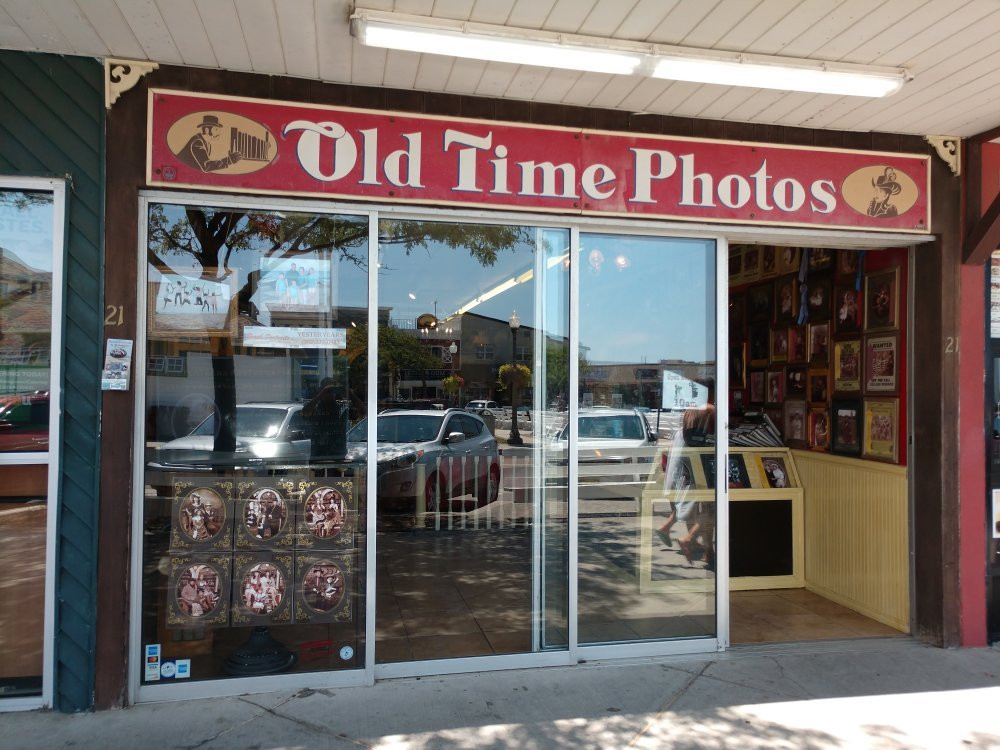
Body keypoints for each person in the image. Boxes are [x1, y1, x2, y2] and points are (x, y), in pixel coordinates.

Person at [175, 114, 242, 172]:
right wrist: (228, 160)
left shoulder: (207, 144)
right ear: (207, 130)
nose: (219, 133)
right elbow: (207, 166)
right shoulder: (197, 142)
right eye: (216, 129)